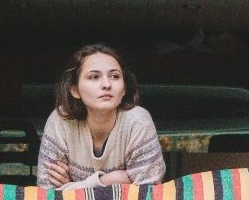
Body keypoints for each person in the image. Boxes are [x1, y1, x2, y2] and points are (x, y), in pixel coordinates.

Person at [37, 43, 165, 190]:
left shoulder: (138, 121)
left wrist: (71, 188)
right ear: (74, 90)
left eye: (115, 76)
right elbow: (46, 194)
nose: (106, 84)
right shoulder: (60, 121)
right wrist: (109, 180)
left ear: (124, 89)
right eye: (94, 77)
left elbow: (147, 193)